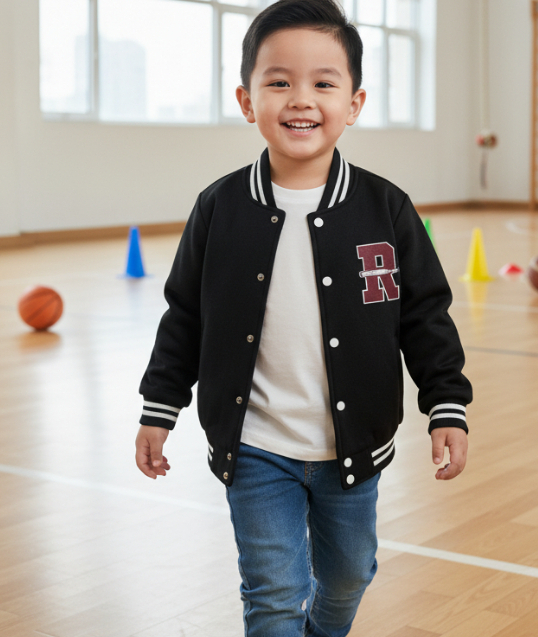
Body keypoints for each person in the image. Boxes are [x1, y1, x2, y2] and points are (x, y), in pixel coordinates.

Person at [135, 1, 472, 635]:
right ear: (246, 100)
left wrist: (446, 405)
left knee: (348, 575)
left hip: (353, 447)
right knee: (273, 591)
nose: (301, 99)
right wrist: (160, 407)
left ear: (354, 103)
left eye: (323, 83)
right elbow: (185, 314)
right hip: (255, 445)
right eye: (279, 81)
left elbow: (425, 315)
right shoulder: (219, 207)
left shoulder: (386, 208)